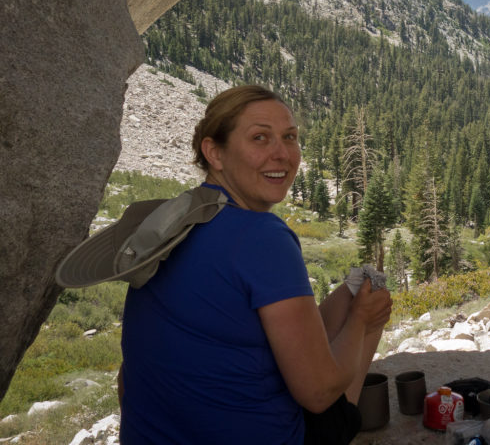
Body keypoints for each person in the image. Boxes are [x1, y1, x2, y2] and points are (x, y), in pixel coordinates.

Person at [118, 85, 393, 444]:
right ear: (214, 152)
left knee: (352, 291)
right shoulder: (262, 236)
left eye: (289, 137)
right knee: (371, 305)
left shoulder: (172, 224)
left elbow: (126, 380)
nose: (282, 153)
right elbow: (319, 393)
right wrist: (361, 321)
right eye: (260, 138)